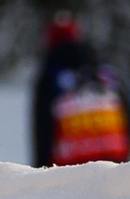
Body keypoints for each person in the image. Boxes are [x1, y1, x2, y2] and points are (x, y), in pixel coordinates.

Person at [31, 14, 128, 167]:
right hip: (115, 155)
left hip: (71, 163)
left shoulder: (51, 73)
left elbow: (43, 126)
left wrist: (39, 170)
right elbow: (124, 108)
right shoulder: (103, 68)